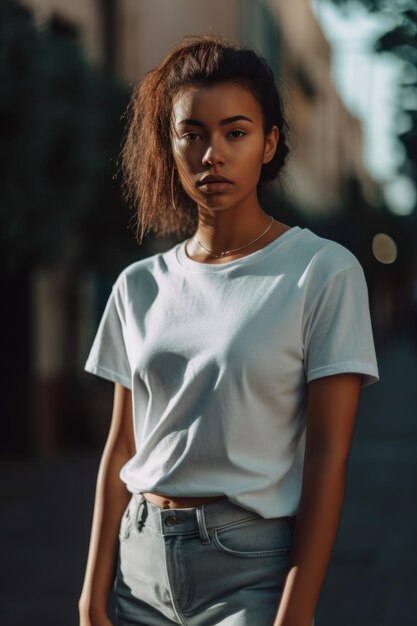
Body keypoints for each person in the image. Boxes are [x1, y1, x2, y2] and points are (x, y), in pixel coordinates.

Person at [78, 35, 379, 626]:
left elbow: (327, 457)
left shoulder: (322, 271)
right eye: (192, 133)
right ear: (171, 145)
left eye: (235, 132)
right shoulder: (139, 285)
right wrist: (92, 595)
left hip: (249, 570)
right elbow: (122, 448)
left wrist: (297, 613)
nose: (212, 153)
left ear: (268, 143)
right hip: (136, 572)